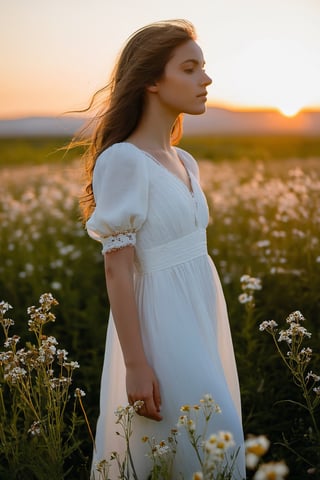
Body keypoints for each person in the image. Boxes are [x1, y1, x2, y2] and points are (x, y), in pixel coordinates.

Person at [81, 19, 245, 479]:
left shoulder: (184, 159)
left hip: (200, 319)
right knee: (205, 443)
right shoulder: (122, 161)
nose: (206, 79)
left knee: (211, 448)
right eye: (190, 69)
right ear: (152, 80)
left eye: (203, 68)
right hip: (159, 330)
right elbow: (118, 270)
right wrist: (136, 365)